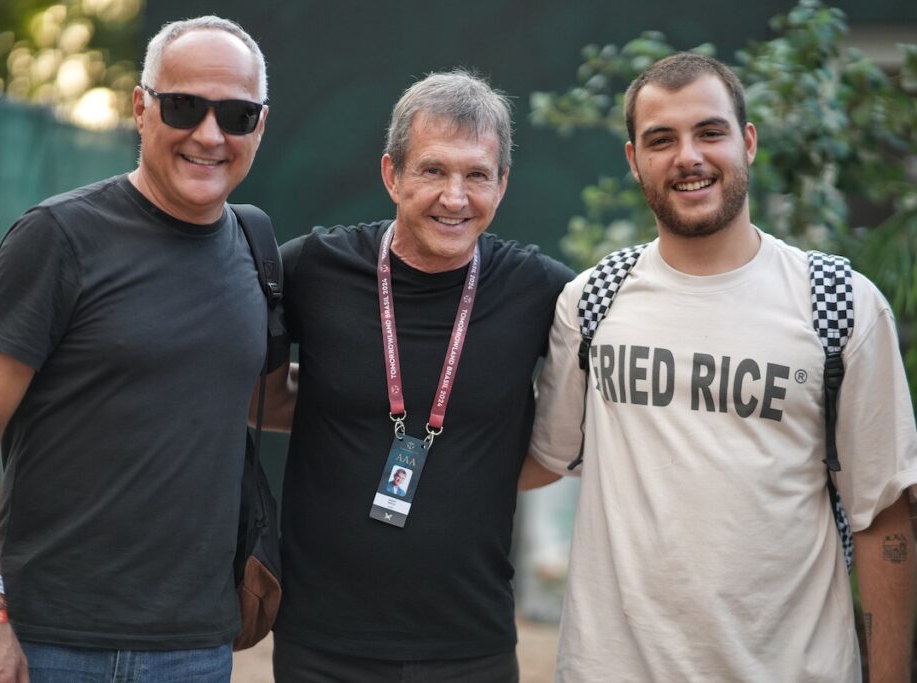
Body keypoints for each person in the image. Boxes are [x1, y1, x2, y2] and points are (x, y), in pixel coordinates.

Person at [522, 52, 917, 682]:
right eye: (662, 139)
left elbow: (885, 517)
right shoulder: (593, 301)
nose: (689, 157)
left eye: (710, 132)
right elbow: (540, 460)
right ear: (633, 161)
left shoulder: (840, 304)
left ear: (748, 142)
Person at [0, 16, 271, 683]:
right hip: (52, 644)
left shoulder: (256, 243)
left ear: (259, 125)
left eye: (236, 114)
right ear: (140, 107)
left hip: (198, 647)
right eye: (183, 106)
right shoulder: (57, 237)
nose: (209, 134)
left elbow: (255, 395)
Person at [257, 69, 574, 681]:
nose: (455, 197)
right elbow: (246, 384)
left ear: (502, 184)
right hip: (322, 644)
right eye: (433, 170)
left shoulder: (540, 289)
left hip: (470, 645)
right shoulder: (314, 269)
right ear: (392, 175)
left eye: (477, 175)